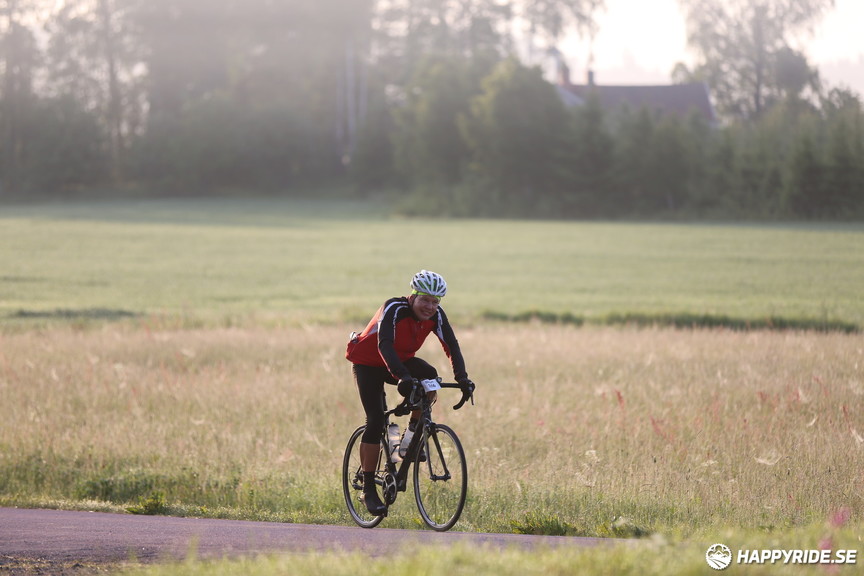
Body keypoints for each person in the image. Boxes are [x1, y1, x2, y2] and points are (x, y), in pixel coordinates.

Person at [346, 270, 474, 516]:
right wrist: (402, 377)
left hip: (400, 362)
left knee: (430, 379)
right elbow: (384, 343)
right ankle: (368, 489)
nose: (430, 306)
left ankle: (409, 442)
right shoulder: (394, 308)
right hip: (368, 363)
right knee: (375, 420)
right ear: (412, 296)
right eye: (425, 299)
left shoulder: (436, 315)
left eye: (436, 302)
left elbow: (452, 345)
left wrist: (463, 378)